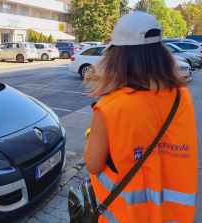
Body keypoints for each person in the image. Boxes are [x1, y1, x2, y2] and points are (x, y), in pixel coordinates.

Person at [83, 11, 197, 223]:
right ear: (161, 53)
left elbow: (93, 164)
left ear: (119, 57)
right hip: (173, 217)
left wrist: (92, 135)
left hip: (127, 216)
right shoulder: (183, 98)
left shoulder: (109, 106)